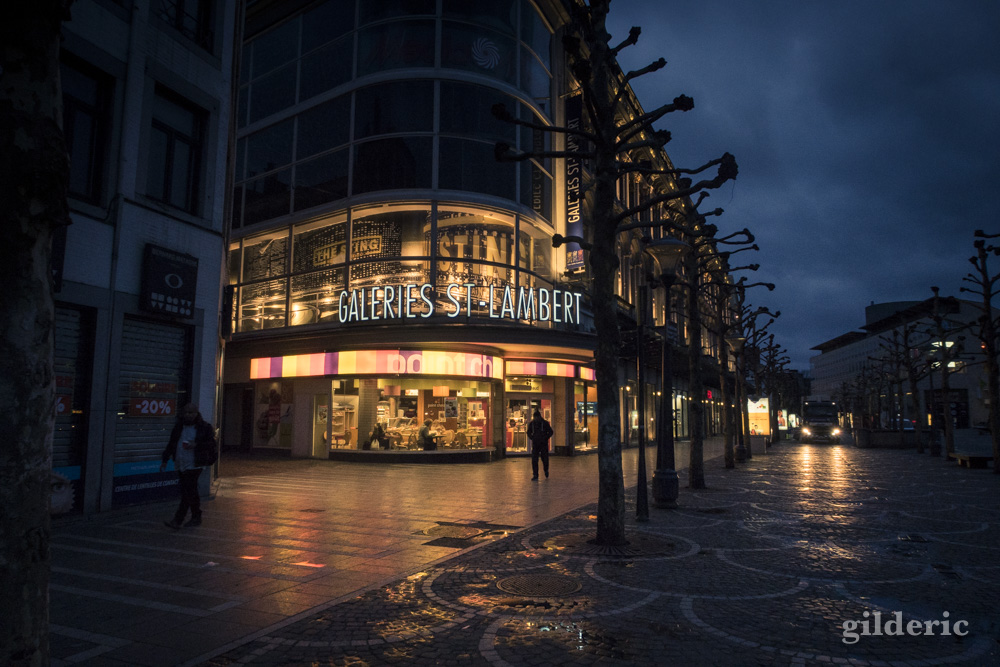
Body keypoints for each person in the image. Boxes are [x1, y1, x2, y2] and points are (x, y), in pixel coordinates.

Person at [160, 403, 215, 529]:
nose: (188, 415)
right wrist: (165, 459)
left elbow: (211, 444)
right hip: (181, 462)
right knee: (189, 491)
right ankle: (194, 516)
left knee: (188, 490)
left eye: (191, 413)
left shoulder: (204, 427)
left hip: (195, 463)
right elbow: (172, 443)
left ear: (196, 413)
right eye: (186, 412)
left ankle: (180, 519)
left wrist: (197, 445)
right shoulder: (179, 427)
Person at [526, 410, 553, 479]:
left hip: (543, 443)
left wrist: (545, 438)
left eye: (537, 417)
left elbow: (550, 432)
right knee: (534, 460)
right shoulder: (532, 424)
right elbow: (528, 432)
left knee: (545, 459)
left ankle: (546, 470)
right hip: (535, 444)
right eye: (535, 417)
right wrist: (532, 437)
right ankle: (535, 475)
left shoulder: (545, 423)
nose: (536, 419)